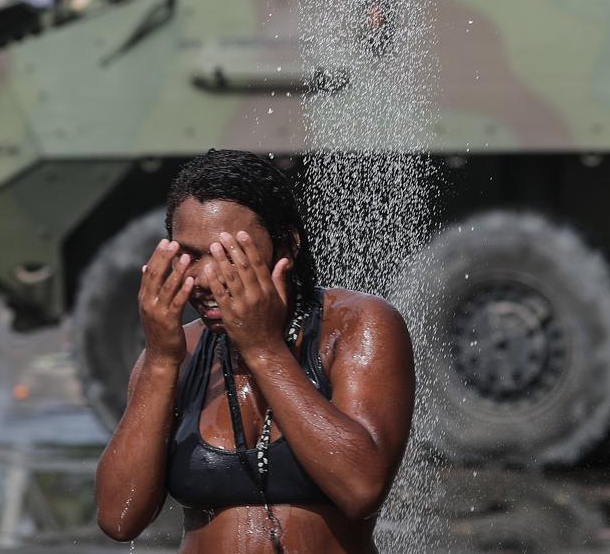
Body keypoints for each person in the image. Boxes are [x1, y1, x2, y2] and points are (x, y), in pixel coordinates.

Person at [95, 149, 415, 553]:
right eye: (189, 256)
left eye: (228, 256)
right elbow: (119, 519)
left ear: (288, 246)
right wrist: (160, 361)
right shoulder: (180, 352)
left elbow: (361, 488)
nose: (205, 279)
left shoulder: (355, 326)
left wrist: (263, 349)